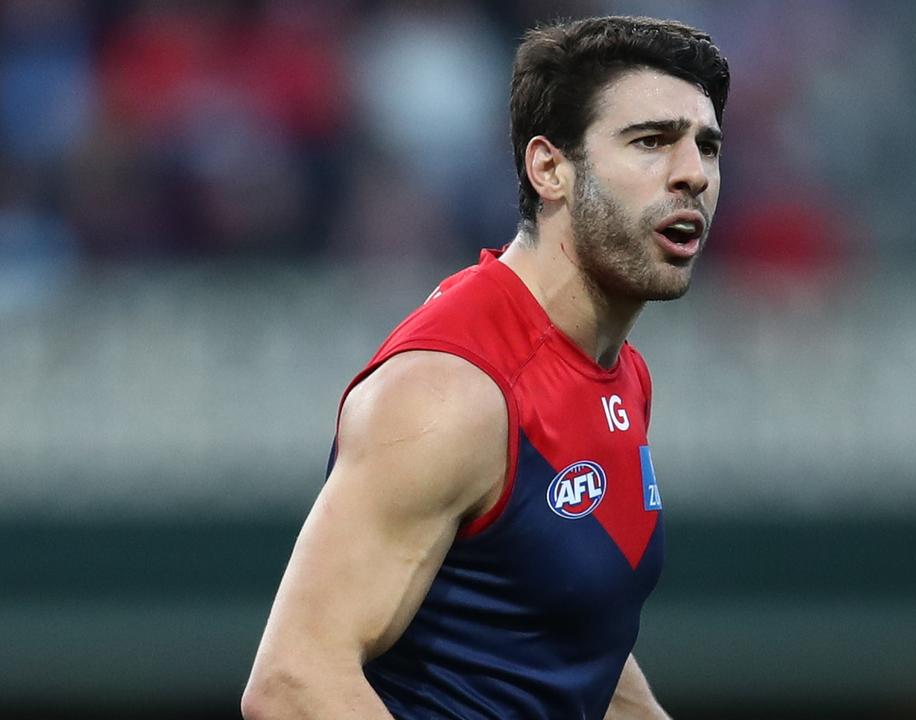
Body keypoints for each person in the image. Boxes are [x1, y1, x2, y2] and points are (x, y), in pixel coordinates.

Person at [241, 15, 729, 720]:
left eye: (706, 147)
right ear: (549, 167)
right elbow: (293, 684)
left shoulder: (618, 371)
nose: (693, 174)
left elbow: (564, 629)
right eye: (651, 142)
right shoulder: (453, 391)